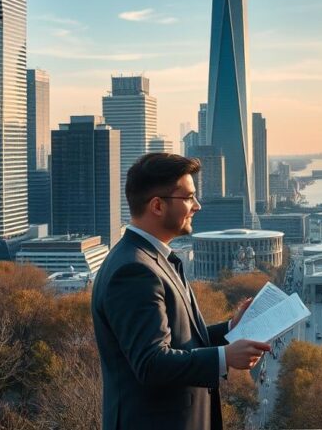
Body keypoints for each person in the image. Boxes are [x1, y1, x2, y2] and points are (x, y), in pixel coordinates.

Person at [92, 153, 271, 430]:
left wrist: (230, 328)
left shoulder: (151, 259)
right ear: (157, 205)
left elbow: (178, 339)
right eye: (188, 197)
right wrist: (225, 356)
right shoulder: (134, 271)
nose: (197, 206)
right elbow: (151, 363)